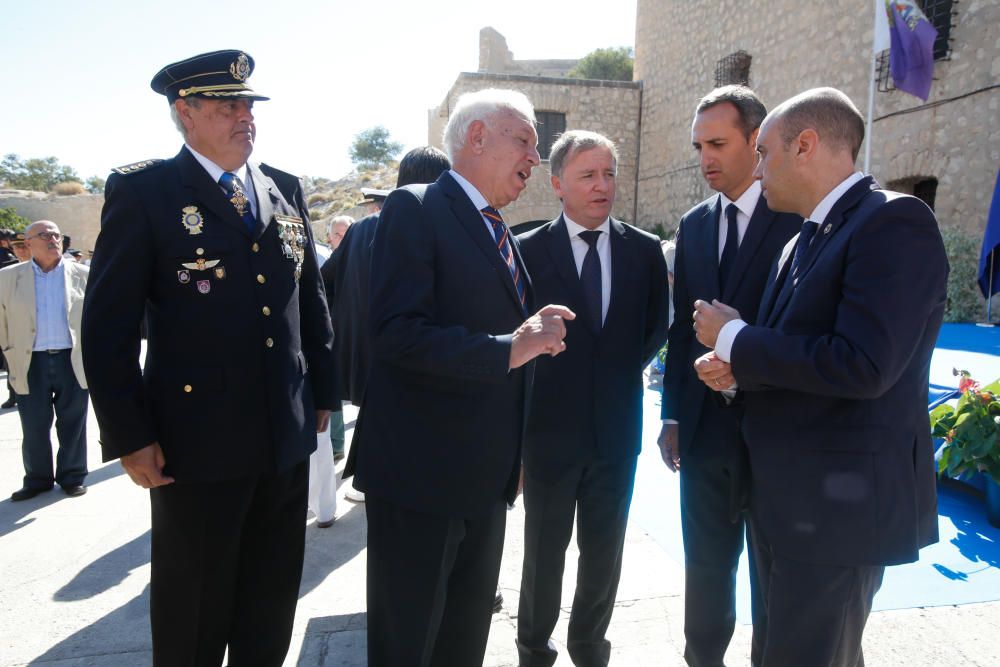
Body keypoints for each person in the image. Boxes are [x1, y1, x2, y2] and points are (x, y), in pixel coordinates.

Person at [82, 50, 338, 666]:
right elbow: (107, 327)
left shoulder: (283, 188)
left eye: (249, 105)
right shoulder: (145, 191)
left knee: (270, 599)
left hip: (284, 433)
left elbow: (310, 300)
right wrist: (128, 434)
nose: (244, 117)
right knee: (194, 606)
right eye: (228, 106)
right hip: (194, 445)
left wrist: (323, 392)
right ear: (185, 113)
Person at [691, 87, 948, 667]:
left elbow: (864, 365)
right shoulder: (804, 237)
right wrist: (736, 374)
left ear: (804, 145)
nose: (756, 170)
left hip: (838, 517)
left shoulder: (892, 222)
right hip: (786, 503)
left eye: (764, 153)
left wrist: (734, 338)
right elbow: (801, 358)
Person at [345, 88, 574, 667]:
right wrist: (509, 347)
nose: (534, 157)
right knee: (409, 643)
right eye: (524, 139)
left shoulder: (495, 225)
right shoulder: (416, 207)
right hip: (422, 479)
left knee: (463, 640)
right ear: (476, 137)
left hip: (483, 479)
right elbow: (397, 333)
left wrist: (526, 334)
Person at [656, 86, 801, 666]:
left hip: (777, 430)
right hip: (704, 432)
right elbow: (681, 329)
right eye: (698, 146)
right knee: (707, 567)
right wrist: (671, 413)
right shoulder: (693, 225)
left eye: (717, 143)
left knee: (774, 579)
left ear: (756, 140)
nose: (705, 157)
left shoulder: (797, 213)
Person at [515, 130, 670, 666]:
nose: (602, 185)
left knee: (604, 553)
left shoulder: (645, 251)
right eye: (588, 175)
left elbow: (655, 327)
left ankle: (589, 645)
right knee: (543, 553)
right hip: (548, 435)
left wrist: (615, 374)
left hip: (615, 432)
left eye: (608, 173)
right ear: (557, 183)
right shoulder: (527, 250)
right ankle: (533, 645)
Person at [323, 146, 452, 504]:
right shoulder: (436, 227)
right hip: (411, 360)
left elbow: (323, 281)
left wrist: (343, 324)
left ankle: (367, 479)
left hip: (363, 355)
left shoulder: (362, 228)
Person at [0, 220, 89, 501]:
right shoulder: (8, 277)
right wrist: (9, 349)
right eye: (45, 235)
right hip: (30, 361)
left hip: (71, 358)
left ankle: (72, 476)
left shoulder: (83, 274)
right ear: (28, 244)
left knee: (73, 422)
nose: (53, 239)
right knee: (34, 424)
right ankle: (37, 479)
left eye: (56, 234)